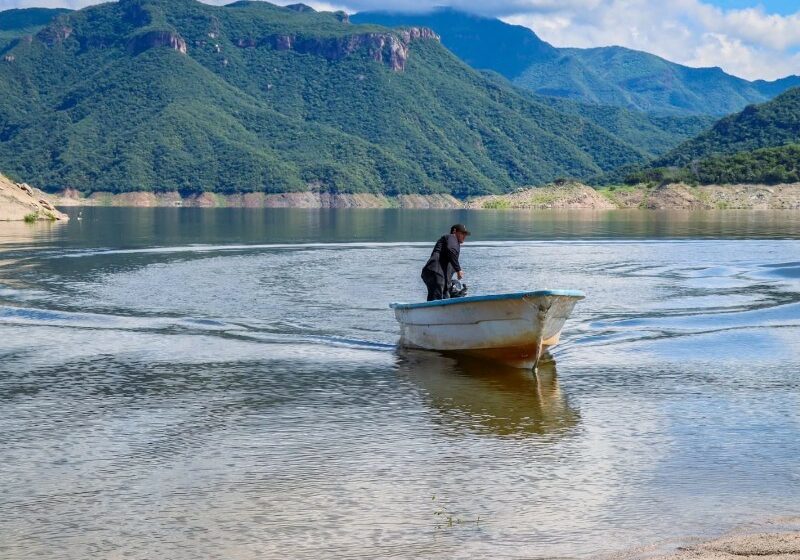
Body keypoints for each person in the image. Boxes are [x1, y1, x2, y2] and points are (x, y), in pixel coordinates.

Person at [421, 224, 470, 301]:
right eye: (462, 233)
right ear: (454, 231)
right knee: (436, 298)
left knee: (446, 296)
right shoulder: (451, 237)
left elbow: (450, 258)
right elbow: (451, 250)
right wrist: (458, 270)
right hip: (435, 272)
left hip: (438, 274)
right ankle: (433, 310)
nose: (464, 236)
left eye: (465, 234)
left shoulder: (454, 244)